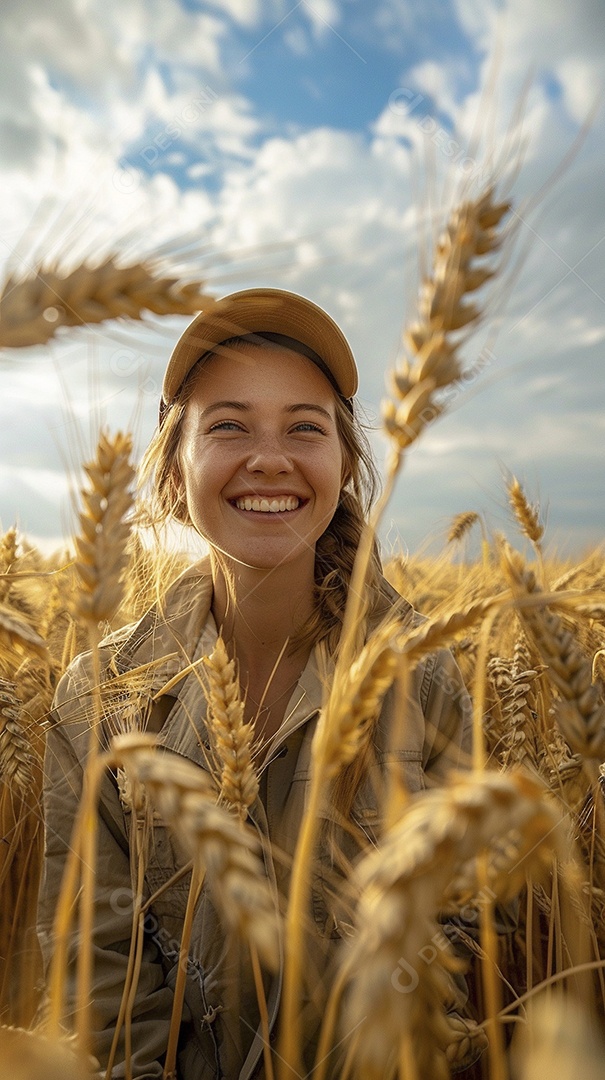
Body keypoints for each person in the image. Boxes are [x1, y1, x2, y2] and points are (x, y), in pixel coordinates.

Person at [37, 288, 475, 1079]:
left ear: (343, 468)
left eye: (304, 428)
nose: (268, 457)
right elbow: (91, 974)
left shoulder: (425, 673)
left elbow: (467, 930)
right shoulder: (96, 698)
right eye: (228, 426)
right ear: (174, 473)